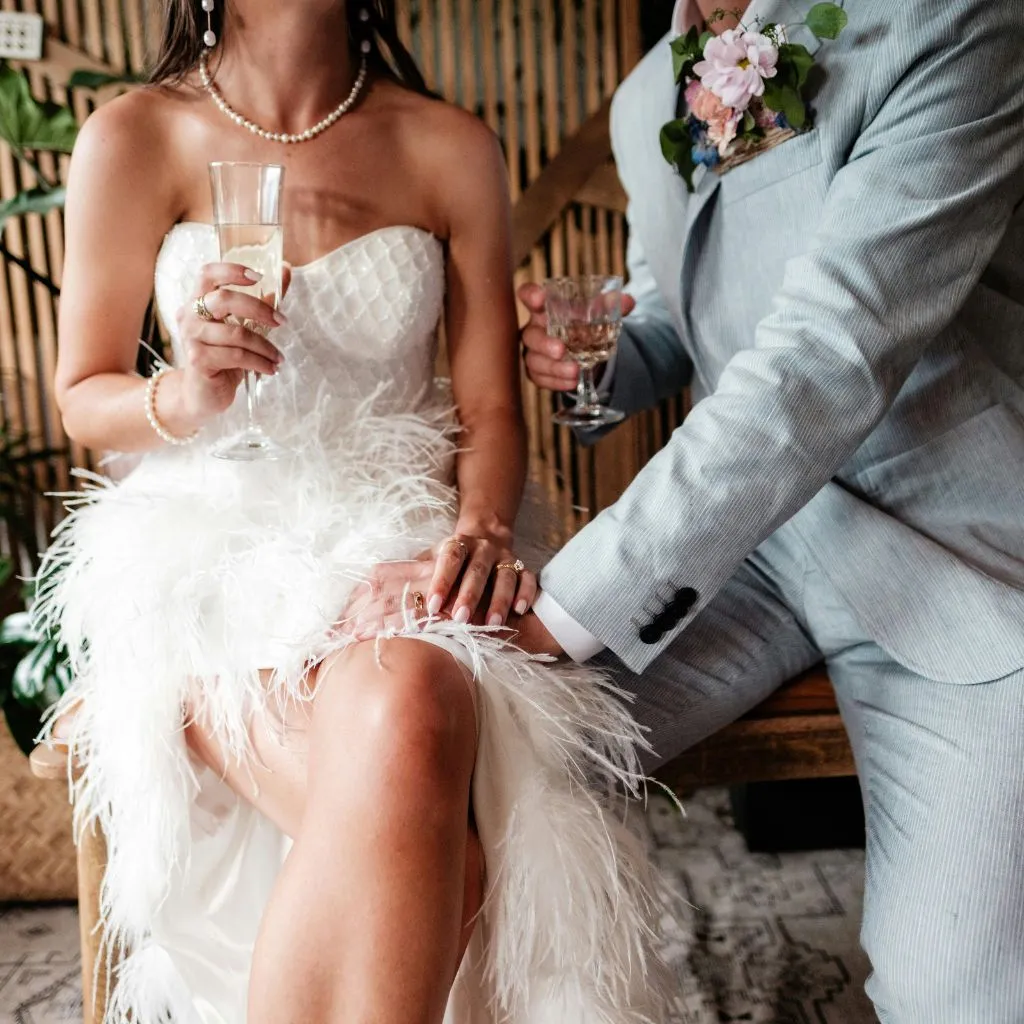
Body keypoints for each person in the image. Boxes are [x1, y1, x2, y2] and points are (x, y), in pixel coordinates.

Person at [38, 2, 668, 1022]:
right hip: (204, 546)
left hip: (395, 532)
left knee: (415, 693)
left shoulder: (450, 145)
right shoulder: (133, 135)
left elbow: (488, 409)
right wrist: (188, 393)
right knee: (445, 867)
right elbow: (83, 393)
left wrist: (481, 532)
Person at [515, 0, 1024, 1020]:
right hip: (745, 548)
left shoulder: (951, 23)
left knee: (958, 995)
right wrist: (597, 368)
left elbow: (821, 356)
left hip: (948, 555)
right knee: (483, 741)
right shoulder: (647, 93)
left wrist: (563, 609)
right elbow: (674, 315)